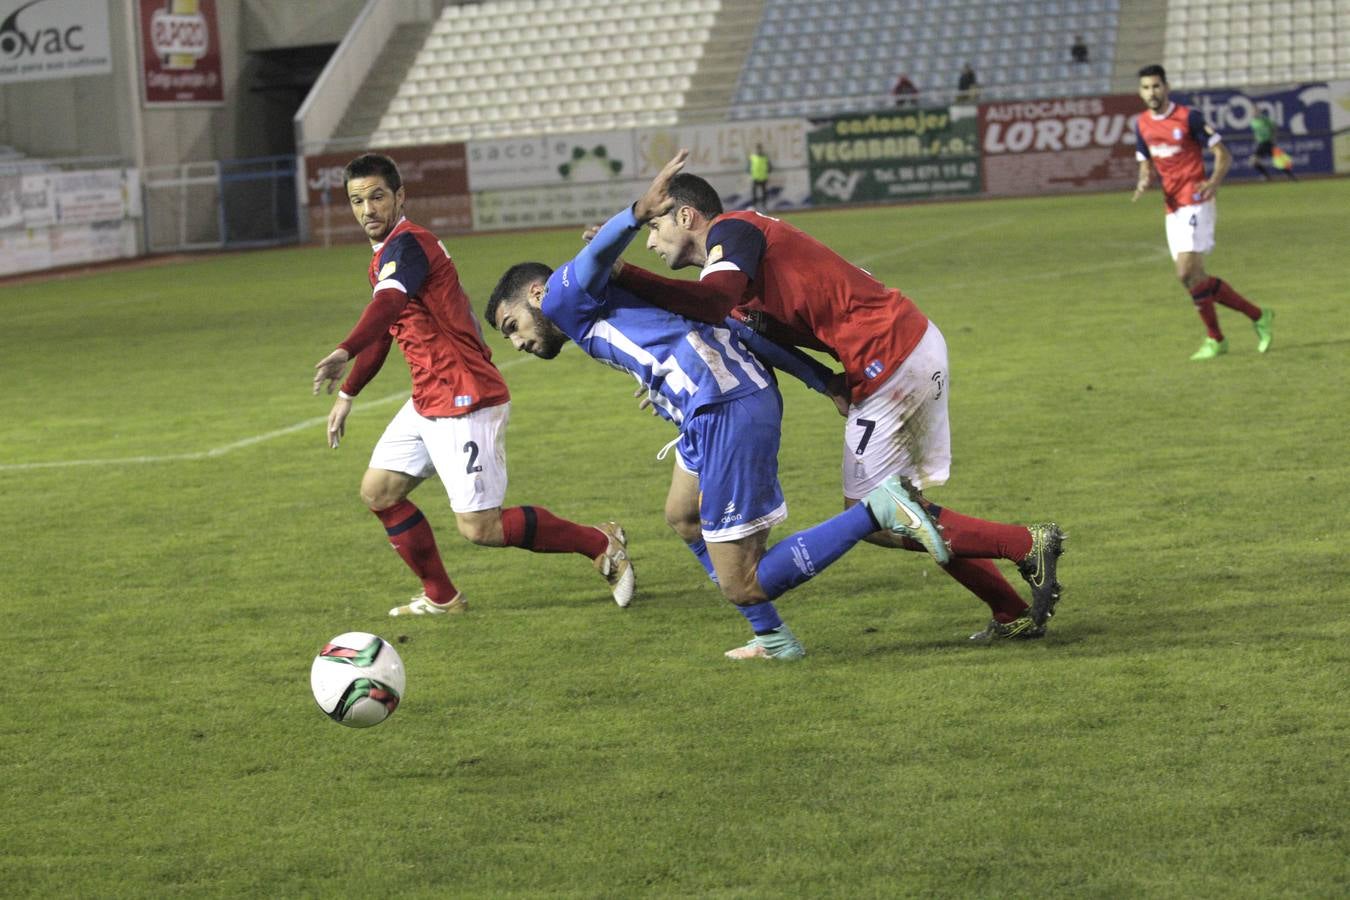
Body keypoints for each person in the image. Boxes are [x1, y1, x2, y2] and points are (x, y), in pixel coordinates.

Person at [485, 150, 950, 660]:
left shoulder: (559, 297)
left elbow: (595, 260)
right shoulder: (622, 305)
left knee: (742, 583)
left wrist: (635, 213)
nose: (519, 343)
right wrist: (821, 381)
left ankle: (878, 509)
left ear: (536, 293)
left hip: (727, 407)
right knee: (683, 515)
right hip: (714, 406)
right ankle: (771, 637)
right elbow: (733, 325)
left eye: (513, 326)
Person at [606, 156, 1066, 643]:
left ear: (686, 216)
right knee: (902, 510)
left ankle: (1026, 544)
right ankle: (1010, 608)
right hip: (891, 353)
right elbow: (756, 343)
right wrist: (825, 382)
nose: (652, 240)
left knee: (876, 515)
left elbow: (714, 305)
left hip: (888, 353)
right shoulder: (728, 277)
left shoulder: (736, 229)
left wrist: (623, 273)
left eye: (654, 227)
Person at [311, 152, 634, 618]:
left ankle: (599, 543)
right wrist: (348, 393)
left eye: (377, 196)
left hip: (466, 398)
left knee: (481, 528)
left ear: (400, 197)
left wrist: (344, 350)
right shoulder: (385, 258)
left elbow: (384, 310)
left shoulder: (409, 247)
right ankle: (443, 597)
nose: (367, 209)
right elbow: (387, 330)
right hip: (429, 398)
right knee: (378, 493)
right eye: (357, 201)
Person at [1132, 65, 1275, 360]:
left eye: (1156, 86)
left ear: (1166, 87)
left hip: (1196, 199)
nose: (1152, 92)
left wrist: (1213, 182)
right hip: (1171, 207)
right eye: (1146, 88)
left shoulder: (1188, 117)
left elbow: (1223, 153)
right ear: (1140, 92)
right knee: (1192, 278)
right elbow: (1145, 158)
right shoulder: (1142, 124)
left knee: (1186, 270)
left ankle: (1220, 335)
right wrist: (1144, 178)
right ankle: (1250, 321)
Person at [1249, 112, 1296, 182]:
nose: (1254, 113)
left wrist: (1273, 137)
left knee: (1279, 161)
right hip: (1261, 144)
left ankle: (1290, 177)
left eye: (1256, 111)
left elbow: (1273, 127)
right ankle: (1268, 176)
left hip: (1268, 143)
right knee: (1254, 161)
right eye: (1253, 111)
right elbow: (1257, 132)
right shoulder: (1253, 122)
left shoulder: (1264, 119)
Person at [747, 143, 771, 210]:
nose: (758, 150)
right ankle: (754, 206)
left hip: (763, 177)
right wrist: (750, 172)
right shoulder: (752, 157)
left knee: (764, 193)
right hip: (755, 178)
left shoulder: (765, 157)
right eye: (757, 148)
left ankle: (764, 206)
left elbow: (769, 167)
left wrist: (768, 171)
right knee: (754, 193)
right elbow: (748, 167)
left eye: (759, 148)